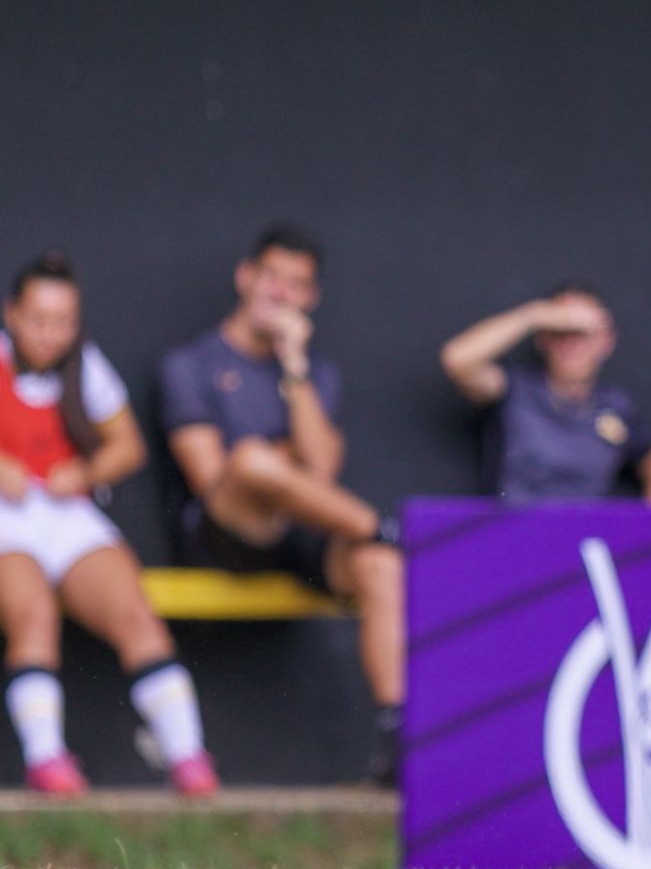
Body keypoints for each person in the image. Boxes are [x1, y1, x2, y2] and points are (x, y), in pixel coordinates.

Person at [158, 225, 405, 785]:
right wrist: (277, 461)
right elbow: (211, 473)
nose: (282, 293)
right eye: (273, 277)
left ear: (311, 298)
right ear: (246, 277)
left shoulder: (314, 372)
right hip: (224, 534)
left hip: (301, 534)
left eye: (298, 284)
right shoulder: (191, 363)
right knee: (250, 460)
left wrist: (293, 368)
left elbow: (320, 471)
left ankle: (399, 735)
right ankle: (386, 528)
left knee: (378, 564)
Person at [0, 253, 216, 798]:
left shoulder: (84, 365)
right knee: (33, 614)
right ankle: (48, 761)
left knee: (134, 614)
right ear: (12, 314)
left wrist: (87, 471)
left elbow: (128, 447)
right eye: (38, 320)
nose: (51, 335)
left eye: (64, 321)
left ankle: (188, 759)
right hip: (6, 521)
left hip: (64, 515)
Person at [439, 284, 651, 505]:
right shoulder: (516, 389)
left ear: (606, 341)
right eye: (560, 332)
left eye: (583, 334)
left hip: (583, 538)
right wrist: (534, 315)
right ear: (543, 338)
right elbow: (457, 360)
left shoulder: (614, 405)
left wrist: (649, 532)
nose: (571, 345)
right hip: (513, 532)